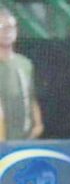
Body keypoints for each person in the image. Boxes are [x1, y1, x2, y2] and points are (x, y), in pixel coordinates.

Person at [0, 10, 43, 141]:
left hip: (25, 138)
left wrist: (38, 125)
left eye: (11, 26)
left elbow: (31, 96)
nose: (8, 31)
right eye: (2, 27)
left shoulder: (25, 63)